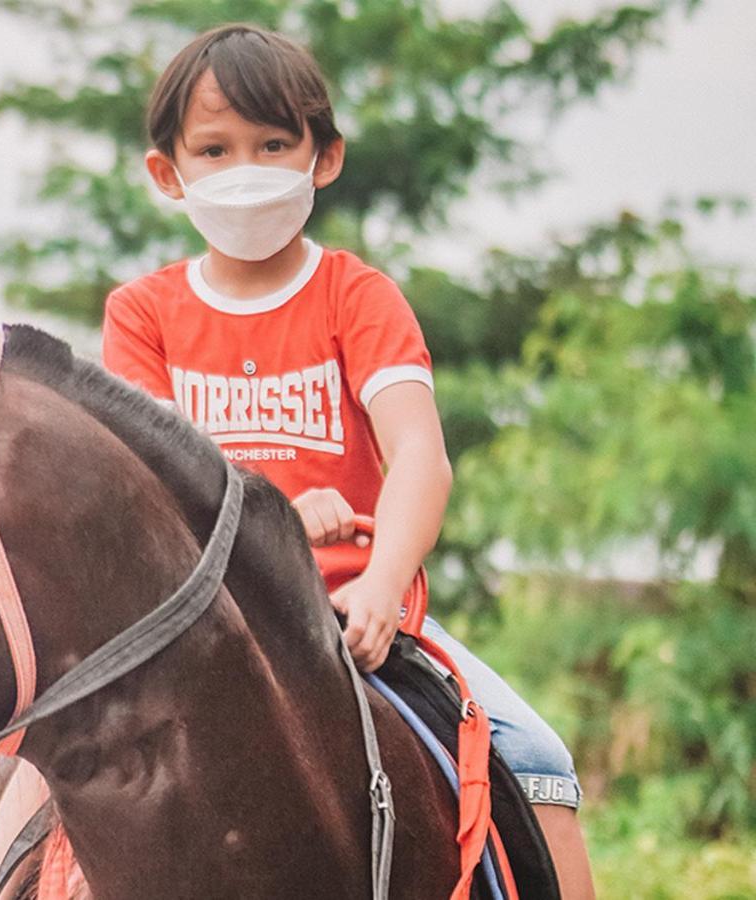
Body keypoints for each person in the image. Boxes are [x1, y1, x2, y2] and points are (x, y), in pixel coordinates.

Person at [100, 23, 596, 899]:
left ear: (322, 160)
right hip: (194, 624)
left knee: (540, 762)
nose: (244, 168)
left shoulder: (356, 295)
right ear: (167, 175)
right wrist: (281, 509)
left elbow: (419, 456)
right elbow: (156, 491)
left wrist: (378, 588)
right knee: (35, 770)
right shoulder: (143, 313)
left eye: (273, 143)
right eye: (214, 149)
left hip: (359, 619)